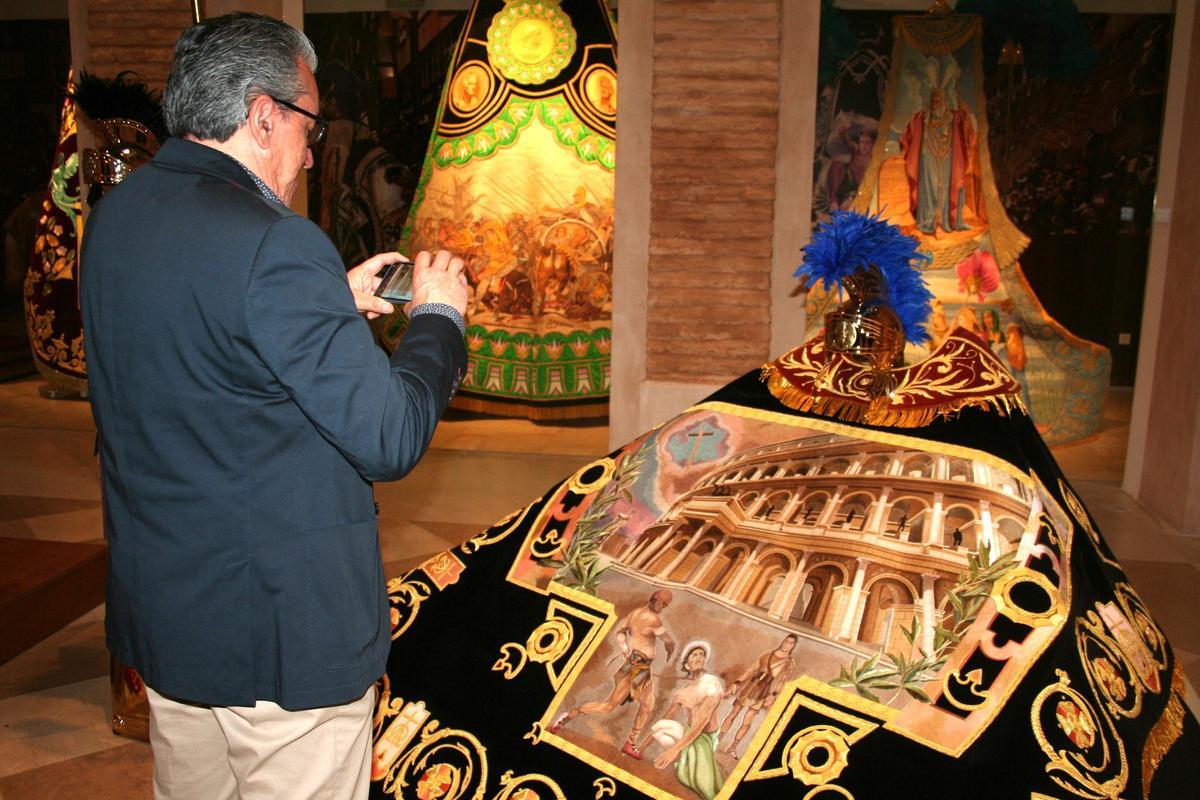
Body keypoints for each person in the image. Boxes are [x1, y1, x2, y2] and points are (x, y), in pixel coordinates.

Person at [79, 13, 468, 800]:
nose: (312, 151)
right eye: (308, 126)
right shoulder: (274, 241)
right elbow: (389, 435)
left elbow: (202, 351)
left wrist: (327, 304)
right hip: (280, 643)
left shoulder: (120, 213)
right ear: (264, 115)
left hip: (173, 623)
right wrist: (438, 318)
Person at [551, 589, 676, 758]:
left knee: (641, 704)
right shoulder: (653, 619)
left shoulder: (635, 613)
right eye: (663, 604)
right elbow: (668, 640)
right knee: (614, 706)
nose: (662, 608)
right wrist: (671, 649)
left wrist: (626, 649)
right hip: (639, 667)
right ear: (657, 601)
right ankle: (570, 716)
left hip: (637, 664)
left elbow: (620, 631)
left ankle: (628, 743)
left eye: (665, 606)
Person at [642, 641, 725, 800]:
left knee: (702, 784)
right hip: (689, 731)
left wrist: (673, 750)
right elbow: (665, 719)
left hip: (705, 737)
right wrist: (640, 748)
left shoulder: (711, 683)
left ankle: (681, 757)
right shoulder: (683, 692)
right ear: (687, 665)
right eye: (694, 655)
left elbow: (701, 723)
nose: (699, 657)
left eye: (701, 655)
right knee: (661, 729)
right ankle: (682, 757)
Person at [718, 634, 797, 758]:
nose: (787, 645)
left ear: (793, 646)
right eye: (786, 641)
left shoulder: (789, 663)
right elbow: (751, 670)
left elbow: (782, 681)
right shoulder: (767, 655)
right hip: (751, 686)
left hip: (763, 691)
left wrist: (773, 695)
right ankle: (717, 740)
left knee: (747, 722)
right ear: (783, 641)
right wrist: (737, 682)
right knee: (733, 714)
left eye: (791, 643)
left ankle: (732, 747)